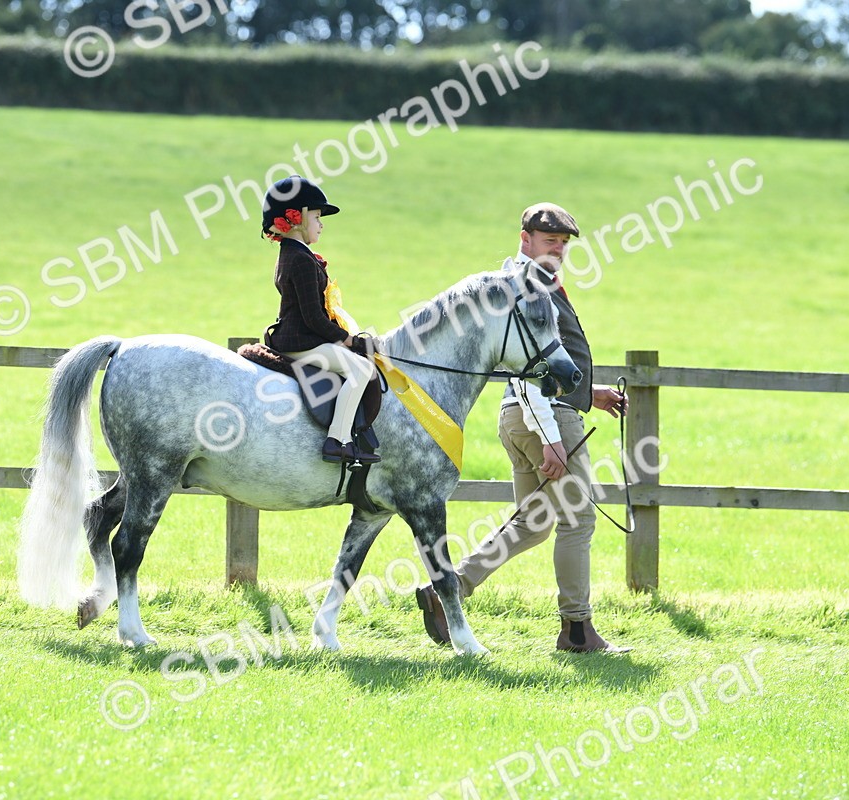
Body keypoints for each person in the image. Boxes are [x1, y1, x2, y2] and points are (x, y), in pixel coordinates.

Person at [415, 202, 630, 653]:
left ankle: (448, 588)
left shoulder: (531, 284)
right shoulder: (528, 288)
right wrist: (552, 440)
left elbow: (538, 370)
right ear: (525, 239)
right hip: (543, 419)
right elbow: (531, 376)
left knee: (533, 523)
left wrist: (591, 394)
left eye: (564, 243)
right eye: (551, 241)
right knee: (579, 519)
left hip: (519, 416)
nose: (559, 250)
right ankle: (576, 630)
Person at [262, 175, 379, 465]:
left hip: (299, 336)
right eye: (316, 216)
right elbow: (313, 318)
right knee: (362, 369)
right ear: (298, 218)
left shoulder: (293, 253)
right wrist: (350, 340)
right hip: (301, 341)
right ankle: (338, 440)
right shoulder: (300, 259)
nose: (321, 224)